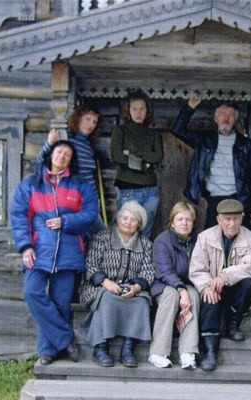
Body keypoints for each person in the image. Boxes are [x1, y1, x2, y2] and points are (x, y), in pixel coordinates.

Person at [10, 140, 98, 366]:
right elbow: (19, 216)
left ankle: (47, 351)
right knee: (32, 293)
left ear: (71, 160)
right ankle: (66, 339)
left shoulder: (80, 185)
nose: (63, 157)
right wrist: (25, 246)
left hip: (69, 252)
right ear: (50, 154)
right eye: (59, 152)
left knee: (61, 302)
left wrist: (66, 221)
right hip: (38, 251)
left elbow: (90, 214)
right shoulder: (31, 184)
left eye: (68, 154)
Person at [189, 199, 251, 371]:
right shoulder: (204, 238)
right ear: (219, 220)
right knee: (209, 296)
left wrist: (224, 277)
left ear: (242, 218)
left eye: (236, 218)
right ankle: (210, 351)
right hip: (213, 287)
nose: (232, 223)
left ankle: (233, 323)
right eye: (227, 219)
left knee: (249, 284)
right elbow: (197, 269)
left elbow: (250, 268)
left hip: (235, 288)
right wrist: (207, 286)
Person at [79, 201, 156, 368]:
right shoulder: (102, 238)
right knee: (107, 298)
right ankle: (100, 348)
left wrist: (136, 287)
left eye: (133, 220)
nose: (128, 222)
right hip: (100, 286)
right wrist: (106, 282)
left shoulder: (145, 245)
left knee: (142, 301)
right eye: (125, 218)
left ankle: (128, 349)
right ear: (118, 219)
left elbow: (148, 271)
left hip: (130, 288)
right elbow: (90, 265)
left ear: (139, 224)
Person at [171, 92, 251, 229]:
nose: (226, 118)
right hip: (214, 200)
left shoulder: (246, 144)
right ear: (215, 118)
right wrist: (190, 107)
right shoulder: (205, 140)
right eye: (222, 114)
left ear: (235, 120)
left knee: (239, 238)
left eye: (230, 115)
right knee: (212, 239)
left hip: (239, 199)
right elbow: (177, 130)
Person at [149, 201, 200, 370]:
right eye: (180, 219)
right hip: (163, 284)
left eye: (188, 220)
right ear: (172, 222)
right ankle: (158, 352)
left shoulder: (197, 241)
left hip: (186, 284)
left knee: (194, 295)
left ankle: (188, 352)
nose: (184, 223)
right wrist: (181, 290)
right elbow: (164, 271)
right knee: (172, 295)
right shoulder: (163, 241)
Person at [40, 105, 106, 233]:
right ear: (78, 118)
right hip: (76, 198)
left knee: (93, 238)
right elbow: (42, 161)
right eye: (88, 119)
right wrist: (49, 143)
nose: (91, 125)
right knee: (101, 236)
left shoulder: (88, 145)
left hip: (91, 198)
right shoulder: (67, 139)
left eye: (94, 122)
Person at [111, 90, 163, 238]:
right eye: (134, 109)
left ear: (147, 111)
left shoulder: (153, 134)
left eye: (142, 109)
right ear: (128, 110)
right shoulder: (120, 131)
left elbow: (158, 156)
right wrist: (145, 163)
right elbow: (117, 156)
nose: (138, 113)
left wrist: (131, 154)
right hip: (128, 189)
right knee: (126, 233)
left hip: (151, 190)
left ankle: (141, 255)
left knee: (145, 234)